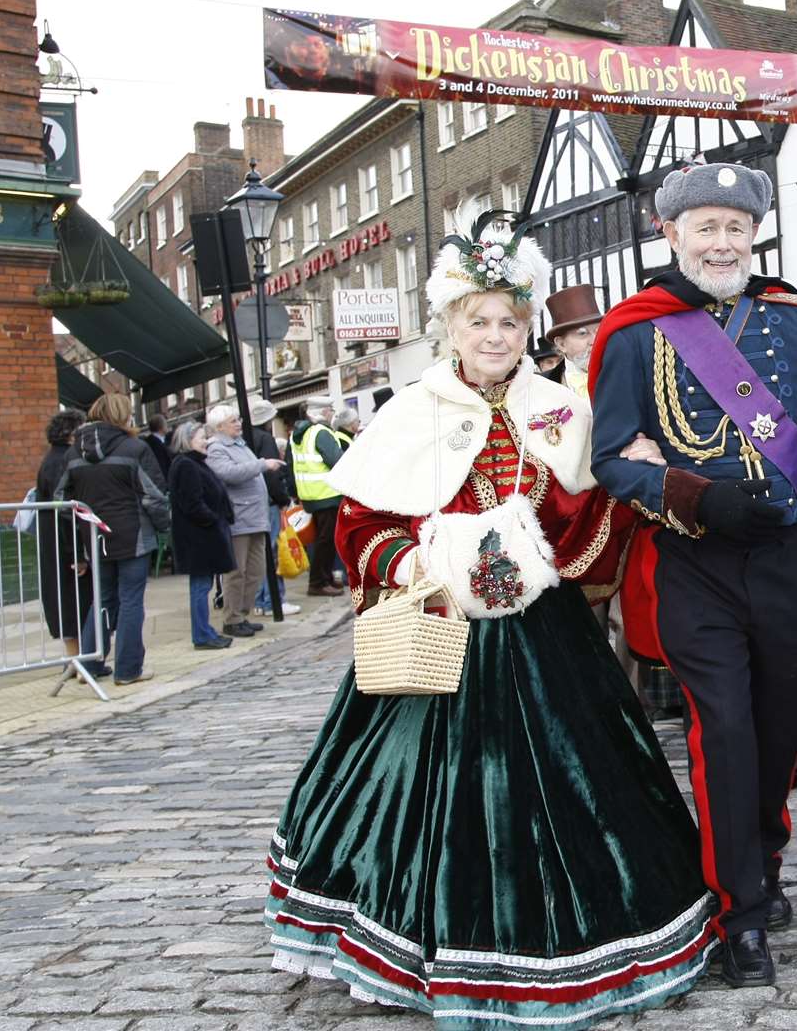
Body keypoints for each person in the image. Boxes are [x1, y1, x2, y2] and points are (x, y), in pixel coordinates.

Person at [265, 202, 715, 1027]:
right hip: (439, 630)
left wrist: (626, 491)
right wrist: (424, 563)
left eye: (511, 321)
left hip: (544, 635)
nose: (497, 336)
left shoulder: (562, 409)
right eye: (481, 322)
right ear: (452, 326)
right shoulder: (413, 410)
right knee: (416, 786)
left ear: (528, 325)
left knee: (586, 780)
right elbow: (361, 523)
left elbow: (587, 515)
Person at [589, 162, 797, 988]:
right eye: (704, 227)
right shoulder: (636, 333)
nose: (722, 242)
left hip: (784, 556)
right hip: (692, 563)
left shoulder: (795, 318)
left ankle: (763, 859)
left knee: (778, 736)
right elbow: (610, 460)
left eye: (735, 227)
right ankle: (736, 908)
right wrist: (696, 496)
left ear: (754, 235)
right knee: (726, 733)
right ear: (670, 235)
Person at [57, 392, 170, 687]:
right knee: (131, 601)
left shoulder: (73, 453)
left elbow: (62, 501)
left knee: (102, 599)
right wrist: (164, 526)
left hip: (95, 536)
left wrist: (83, 526)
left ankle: (90, 665)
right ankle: (128, 669)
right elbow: (154, 496)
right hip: (133, 535)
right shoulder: (135, 448)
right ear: (123, 415)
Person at [204, 404, 281, 639]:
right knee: (237, 572)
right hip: (239, 518)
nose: (238, 423)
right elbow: (228, 473)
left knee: (256, 570)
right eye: (232, 421)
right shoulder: (216, 448)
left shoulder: (240, 444)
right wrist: (262, 464)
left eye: (238, 419)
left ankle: (243, 614)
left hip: (256, 517)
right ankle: (232, 618)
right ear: (219, 427)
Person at [167, 421, 237, 651]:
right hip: (198, 539)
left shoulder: (194, 463)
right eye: (200, 438)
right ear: (187, 441)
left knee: (202, 586)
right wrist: (214, 521)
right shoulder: (186, 465)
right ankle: (201, 634)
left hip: (203, 536)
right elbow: (192, 504)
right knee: (199, 587)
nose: (206, 441)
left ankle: (205, 631)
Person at [35, 409, 94, 658]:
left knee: (66, 599)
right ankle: (78, 658)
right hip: (64, 542)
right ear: (71, 433)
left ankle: (74, 658)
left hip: (54, 540)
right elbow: (66, 509)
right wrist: (78, 553)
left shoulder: (52, 458)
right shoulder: (63, 460)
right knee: (74, 600)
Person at [291, 397, 346, 597]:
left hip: (310, 495)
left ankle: (325, 578)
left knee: (322, 541)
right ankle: (318, 582)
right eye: (330, 409)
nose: (332, 413)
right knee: (327, 541)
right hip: (327, 494)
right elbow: (337, 461)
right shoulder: (321, 432)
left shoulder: (298, 434)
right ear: (323, 412)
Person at [249, 398, 299, 617]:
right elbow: (273, 475)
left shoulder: (244, 438)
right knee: (273, 552)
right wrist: (282, 499)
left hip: (251, 504)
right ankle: (274, 599)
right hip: (268, 503)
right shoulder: (266, 439)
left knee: (260, 553)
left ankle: (260, 600)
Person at [542, 283, 604, 397]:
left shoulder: (624, 373)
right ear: (561, 344)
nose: (594, 341)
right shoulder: (543, 386)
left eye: (598, 331)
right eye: (582, 333)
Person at [140, 413, 172, 478]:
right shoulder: (156, 445)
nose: (167, 426)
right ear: (161, 427)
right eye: (165, 424)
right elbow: (162, 467)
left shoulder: (152, 441)